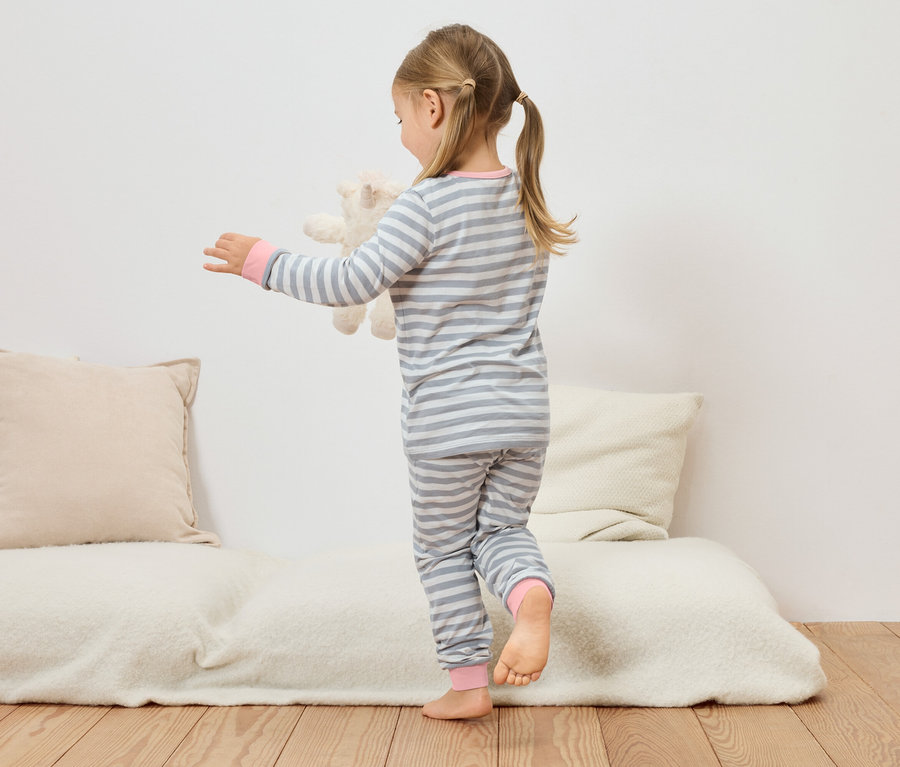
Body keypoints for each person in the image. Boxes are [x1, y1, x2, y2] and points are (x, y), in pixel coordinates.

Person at [203, 23, 576, 720]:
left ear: (433, 108)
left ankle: (468, 687)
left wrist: (264, 262)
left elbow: (352, 281)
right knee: (500, 533)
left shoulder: (424, 205)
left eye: (401, 116)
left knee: (440, 551)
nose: (402, 133)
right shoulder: (526, 198)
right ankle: (530, 598)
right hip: (523, 415)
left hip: (446, 422)